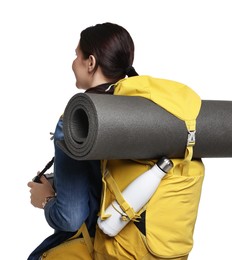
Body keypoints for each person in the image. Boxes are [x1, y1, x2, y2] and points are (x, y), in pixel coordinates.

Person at [27, 22, 138, 260]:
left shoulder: (77, 121)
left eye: (76, 56)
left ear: (91, 62)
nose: (73, 63)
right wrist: (58, 182)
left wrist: (45, 199)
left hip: (96, 247)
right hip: (138, 246)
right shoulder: (144, 113)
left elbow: (71, 217)